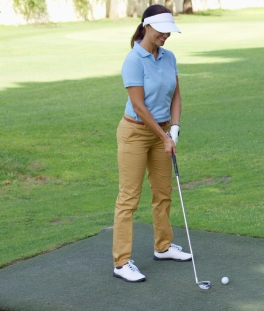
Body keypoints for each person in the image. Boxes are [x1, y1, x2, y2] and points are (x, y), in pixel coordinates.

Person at [112, 4, 191, 283]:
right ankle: (121, 262)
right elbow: (139, 106)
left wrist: (176, 129)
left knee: (163, 192)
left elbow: (176, 96)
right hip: (135, 132)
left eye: (169, 32)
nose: (166, 36)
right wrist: (164, 136)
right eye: (162, 30)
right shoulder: (133, 60)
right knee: (129, 198)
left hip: (163, 133)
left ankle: (164, 246)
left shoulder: (169, 57)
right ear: (147, 26)